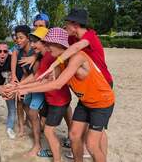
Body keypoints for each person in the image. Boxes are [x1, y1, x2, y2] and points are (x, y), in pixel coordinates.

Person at [12, 28, 115, 162]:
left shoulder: (77, 57)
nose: (47, 47)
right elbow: (44, 80)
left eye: (49, 44)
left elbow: (57, 84)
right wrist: (19, 87)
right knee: (73, 135)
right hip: (85, 102)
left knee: (91, 144)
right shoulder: (59, 62)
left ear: (60, 44)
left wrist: (25, 90)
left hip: (102, 102)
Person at [16, 27, 72, 160]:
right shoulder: (46, 55)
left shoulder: (52, 56)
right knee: (46, 127)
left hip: (58, 100)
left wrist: (24, 88)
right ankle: (53, 149)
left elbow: (44, 82)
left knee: (48, 129)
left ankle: (56, 156)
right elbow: (38, 76)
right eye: (32, 41)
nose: (33, 44)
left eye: (36, 41)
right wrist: (19, 86)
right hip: (51, 98)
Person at [37, 8, 113, 88]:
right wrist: (35, 56)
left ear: (75, 25)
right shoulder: (72, 38)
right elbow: (55, 43)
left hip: (104, 81)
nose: (65, 26)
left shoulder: (90, 35)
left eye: (67, 23)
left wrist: (54, 65)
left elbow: (76, 47)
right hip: (89, 81)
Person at [10, 25, 37, 137]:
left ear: (28, 38)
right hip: (25, 76)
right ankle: (21, 127)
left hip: (36, 78)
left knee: (32, 106)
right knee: (19, 100)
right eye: (17, 37)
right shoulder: (17, 49)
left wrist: (21, 85)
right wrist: (14, 77)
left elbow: (36, 74)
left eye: (21, 37)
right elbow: (13, 60)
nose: (18, 40)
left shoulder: (34, 49)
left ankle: (32, 122)